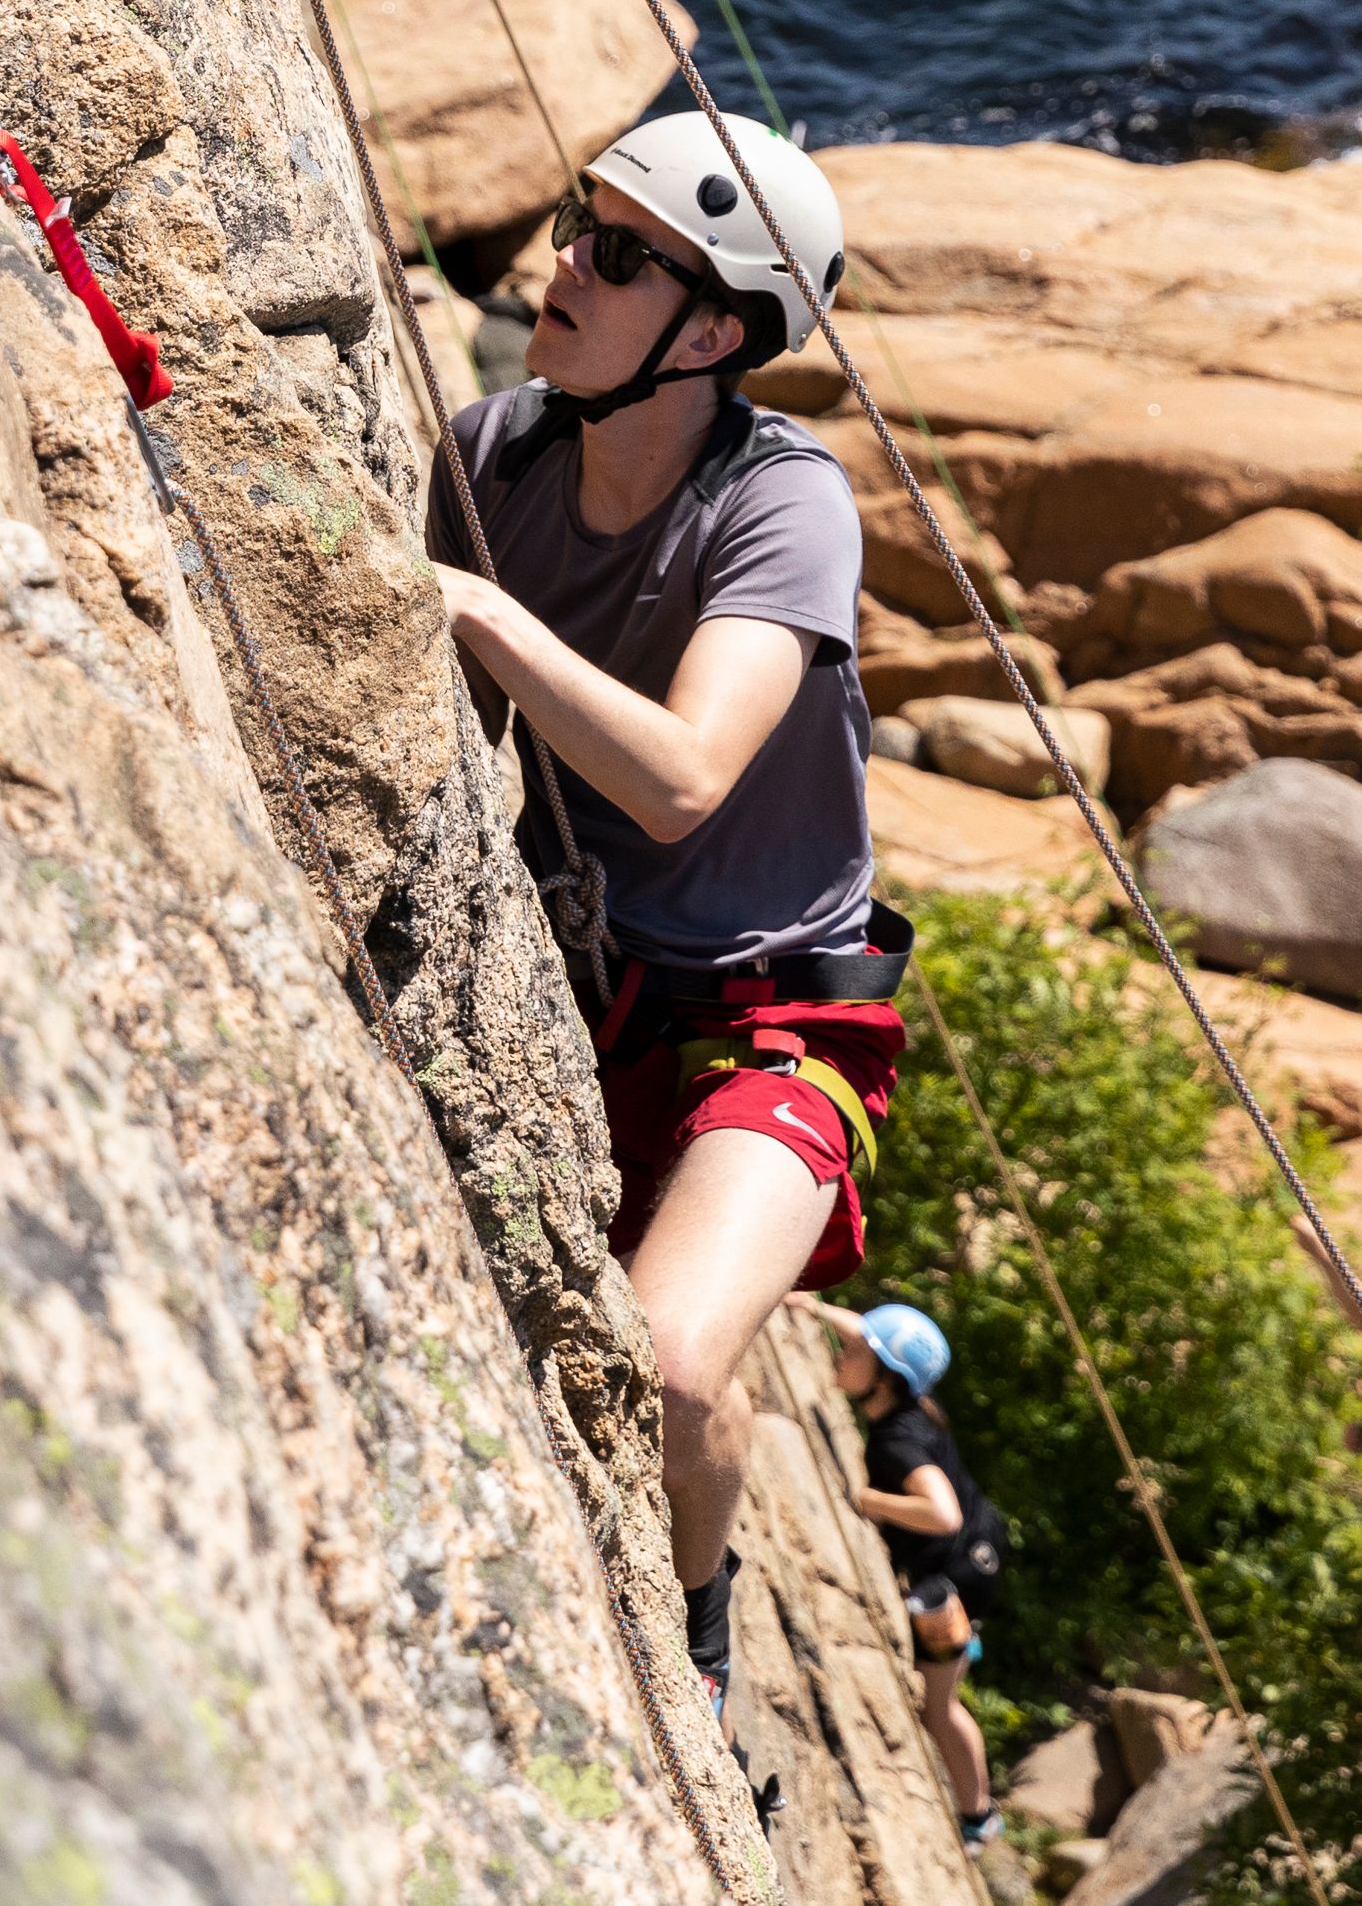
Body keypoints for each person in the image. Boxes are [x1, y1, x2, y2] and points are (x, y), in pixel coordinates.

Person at [426, 107, 894, 1736]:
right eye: (578, 226)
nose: (567, 266)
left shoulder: (784, 505)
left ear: (712, 331)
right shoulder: (493, 460)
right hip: (597, 992)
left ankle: (699, 1644)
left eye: (623, 257)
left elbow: (690, 771)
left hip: (781, 1016)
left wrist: (480, 608)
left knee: (677, 1361)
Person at [819, 1299, 1001, 1839]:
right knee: (940, 1701)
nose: (843, 1352)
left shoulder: (898, 1440)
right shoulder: (910, 1400)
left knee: (938, 1709)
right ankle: (979, 1812)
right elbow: (875, 1336)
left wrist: (866, 1500)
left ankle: (979, 1817)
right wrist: (806, 1304)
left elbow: (940, 1514)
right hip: (977, 1555)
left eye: (854, 1352)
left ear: (884, 1377)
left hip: (949, 1585)